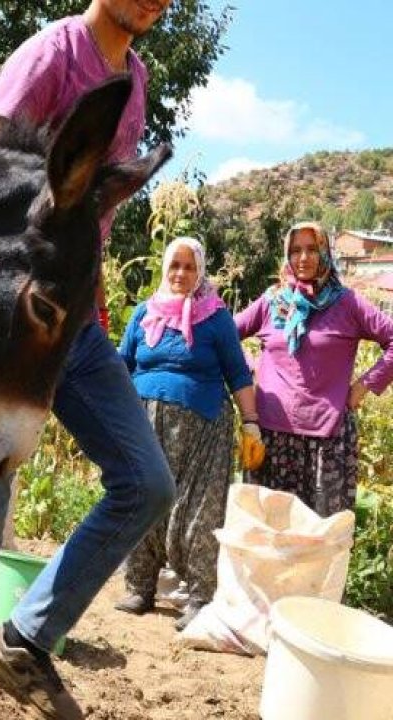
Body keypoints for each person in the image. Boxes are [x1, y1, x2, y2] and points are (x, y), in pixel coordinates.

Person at [0, 2, 175, 719]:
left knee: (147, 483)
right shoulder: (49, 57)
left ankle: (24, 638)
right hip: (10, 329)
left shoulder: (138, 78)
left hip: (77, 329)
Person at [115, 237, 259, 631]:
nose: (180, 274)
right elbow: (121, 365)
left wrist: (252, 424)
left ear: (200, 272)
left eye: (189, 267)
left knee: (198, 512)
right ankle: (140, 588)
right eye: (174, 266)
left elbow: (237, 373)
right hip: (145, 425)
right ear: (165, 269)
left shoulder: (214, 318)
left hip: (203, 432)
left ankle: (199, 597)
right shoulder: (144, 313)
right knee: (142, 499)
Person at [235, 222, 393, 516]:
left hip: (328, 443)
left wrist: (364, 386)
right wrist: (252, 369)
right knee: (269, 537)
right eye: (295, 250)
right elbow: (226, 338)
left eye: (311, 249)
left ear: (325, 253)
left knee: (319, 541)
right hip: (271, 438)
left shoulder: (347, 303)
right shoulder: (272, 301)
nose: (303, 258)